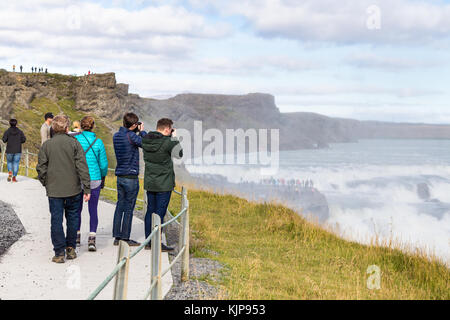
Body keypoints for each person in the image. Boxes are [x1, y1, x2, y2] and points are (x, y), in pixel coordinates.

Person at [36, 115, 91, 264]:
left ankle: (59, 253)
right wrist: (87, 188)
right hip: (73, 189)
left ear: (53, 128)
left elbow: (41, 168)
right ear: (67, 128)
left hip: (54, 190)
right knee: (73, 219)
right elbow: (82, 167)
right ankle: (70, 248)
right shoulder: (75, 143)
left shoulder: (47, 145)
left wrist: (46, 182)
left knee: (56, 220)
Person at [142, 118, 183, 252]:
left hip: (150, 181)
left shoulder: (146, 140)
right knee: (160, 213)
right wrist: (174, 138)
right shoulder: (167, 142)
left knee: (150, 211)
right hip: (164, 183)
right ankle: (156, 243)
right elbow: (179, 154)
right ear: (167, 129)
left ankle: (149, 241)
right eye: (170, 129)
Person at [112, 113, 147, 246]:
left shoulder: (117, 136)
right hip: (131, 176)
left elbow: (131, 141)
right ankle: (125, 238)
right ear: (133, 125)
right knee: (129, 208)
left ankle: (117, 236)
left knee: (120, 205)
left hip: (120, 175)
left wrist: (135, 131)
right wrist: (142, 132)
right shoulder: (131, 136)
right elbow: (144, 143)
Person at [74, 116, 108, 251]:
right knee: (93, 209)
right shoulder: (98, 142)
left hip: (78, 178)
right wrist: (102, 175)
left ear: (81, 127)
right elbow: (104, 164)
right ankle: (92, 238)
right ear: (93, 126)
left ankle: (76, 235)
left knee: (77, 209)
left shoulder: (75, 140)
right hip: (94, 179)